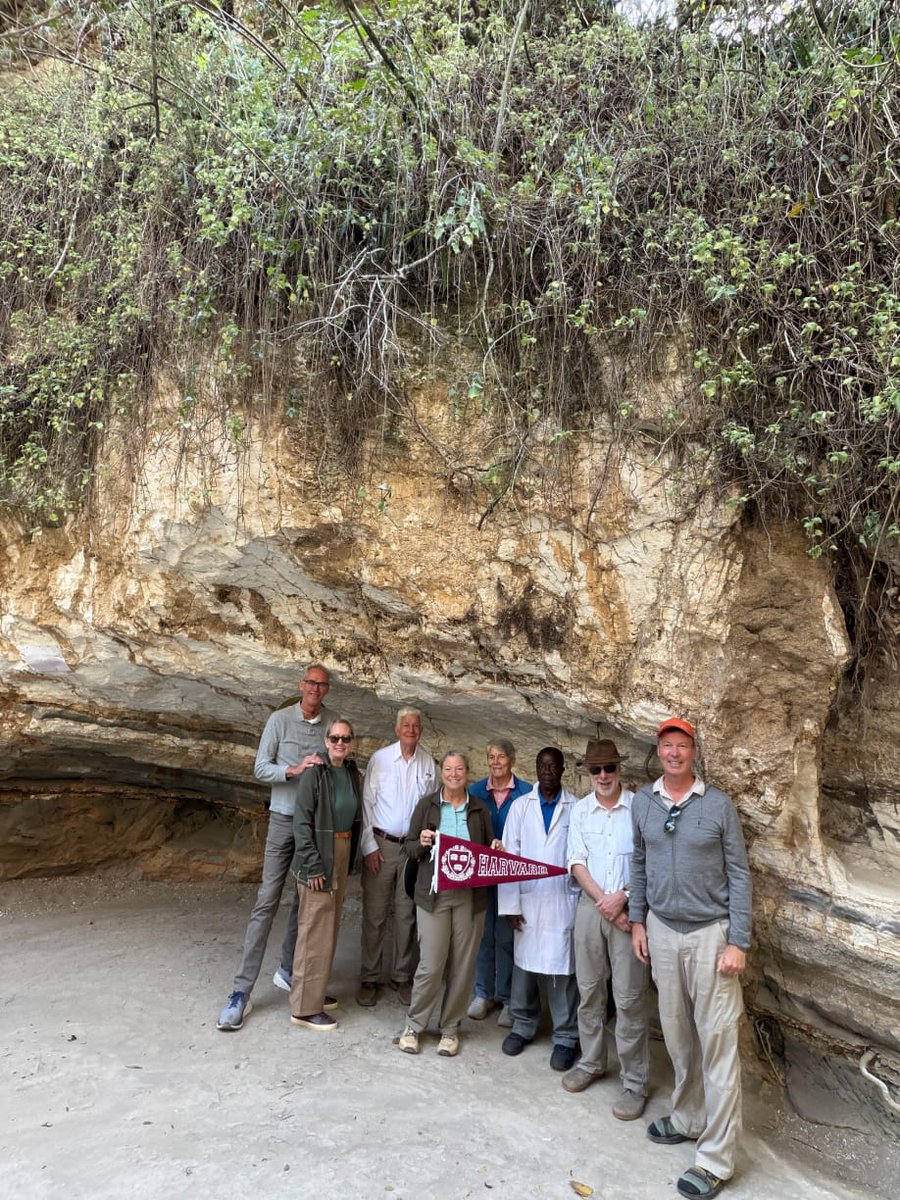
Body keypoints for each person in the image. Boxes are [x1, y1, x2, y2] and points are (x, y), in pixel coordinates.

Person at [630, 718, 752, 1200]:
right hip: (661, 930)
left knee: (718, 1043)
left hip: (710, 935)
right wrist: (638, 920)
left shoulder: (718, 805)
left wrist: (738, 940)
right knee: (679, 1036)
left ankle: (717, 1158)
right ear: (658, 752)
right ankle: (687, 1117)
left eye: (682, 746)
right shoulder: (643, 802)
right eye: (667, 746)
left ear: (694, 752)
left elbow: (740, 875)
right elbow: (638, 861)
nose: (674, 753)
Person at [217, 665, 331, 1032]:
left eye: (321, 685)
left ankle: (289, 973)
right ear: (301, 686)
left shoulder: (332, 725)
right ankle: (240, 992)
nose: (315, 689)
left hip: (311, 827)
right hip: (283, 820)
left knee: (304, 903)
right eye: (310, 683)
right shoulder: (279, 720)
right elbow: (259, 768)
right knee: (267, 900)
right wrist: (293, 771)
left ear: (326, 690)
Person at [564, 738, 650, 1119]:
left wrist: (624, 899)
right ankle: (592, 1061)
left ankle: (635, 1082)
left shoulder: (640, 808)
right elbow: (576, 862)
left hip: (630, 910)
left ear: (620, 769)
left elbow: (649, 862)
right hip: (592, 908)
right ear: (587, 773)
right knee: (589, 991)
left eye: (609, 768)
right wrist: (605, 903)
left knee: (630, 1000)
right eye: (595, 770)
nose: (602, 776)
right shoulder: (581, 811)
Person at [397, 751, 495, 1057]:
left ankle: (450, 1028)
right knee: (431, 963)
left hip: (468, 896)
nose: (454, 774)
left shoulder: (480, 810)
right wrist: (422, 842)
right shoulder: (427, 805)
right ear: (442, 773)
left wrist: (496, 848)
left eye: (460, 769)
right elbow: (409, 848)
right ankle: (415, 1024)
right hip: (434, 893)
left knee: (463, 966)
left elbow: (487, 853)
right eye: (449, 769)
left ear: (468, 772)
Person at [497, 747, 581, 1072]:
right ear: (536, 769)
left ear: (562, 770)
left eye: (553, 765)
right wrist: (511, 905)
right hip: (528, 900)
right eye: (541, 765)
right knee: (525, 971)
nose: (547, 770)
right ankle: (522, 1026)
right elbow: (508, 860)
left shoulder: (576, 809)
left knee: (562, 973)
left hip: (562, 901)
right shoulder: (521, 808)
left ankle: (566, 1037)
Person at [357, 707, 437, 1008]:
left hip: (412, 848)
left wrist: (424, 846)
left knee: (406, 914)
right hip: (382, 844)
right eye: (406, 725)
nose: (411, 729)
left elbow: (431, 809)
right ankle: (369, 976)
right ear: (397, 729)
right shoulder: (380, 759)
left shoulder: (428, 764)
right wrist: (369, 847)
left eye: (416, 725)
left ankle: (402, 976)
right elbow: (366, 804)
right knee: (375, 913)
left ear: (421, 730)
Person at [289, 717, 363, 1031]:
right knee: (313, 931)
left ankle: (314, 993)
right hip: (319, 854)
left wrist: (349, 863)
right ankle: (304, 1009)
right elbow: (301, 824)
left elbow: (356, 819)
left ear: (352, 742)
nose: (339, 744)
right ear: (325, 741)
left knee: (328, 928)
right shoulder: (313, 775)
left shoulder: (350, 773)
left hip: (341, 852)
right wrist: (313, 865)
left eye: (345, 739)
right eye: (334, 738)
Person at [467, 739, 532, 1027]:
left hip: (510, 876)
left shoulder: (526, 793)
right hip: (482, 873)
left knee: (507, 937)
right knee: (483, 935)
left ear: (512, 760)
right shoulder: (475, 792)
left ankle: (506, 998)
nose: (495, 762)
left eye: (501, 757)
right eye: (491, 756)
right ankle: (483, 993)